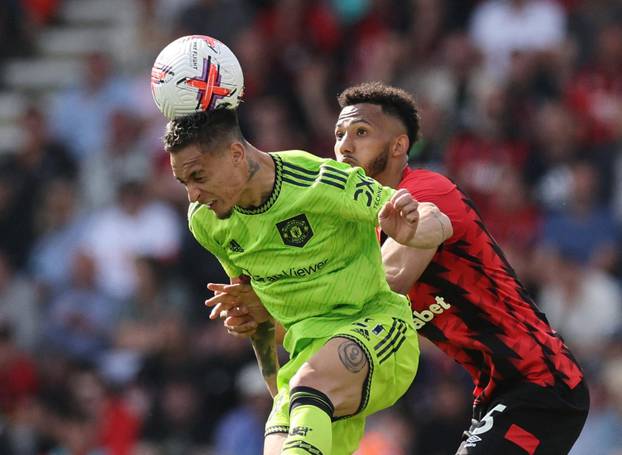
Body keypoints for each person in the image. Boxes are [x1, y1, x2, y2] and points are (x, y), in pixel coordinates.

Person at [218, 82, 590, 454]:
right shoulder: (358, 227)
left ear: (398, 146)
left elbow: (386, 282)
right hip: (495, 392)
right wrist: (265, 315)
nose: (344, 146)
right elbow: (326, 321)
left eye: (361, 132)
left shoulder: (425, 193)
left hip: (541, 381)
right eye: (339, 134)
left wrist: (280, 291)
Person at [162, 107, 453, 455]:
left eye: (198, 176)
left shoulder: (319, 181)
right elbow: (258, 318)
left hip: (377, 330)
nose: (193, 195)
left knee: (308, 386)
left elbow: (436, 218)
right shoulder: (207, 221)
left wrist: (413, 229)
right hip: (305, 366)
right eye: (185, 183)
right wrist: (278, 393)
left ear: (236, 154)